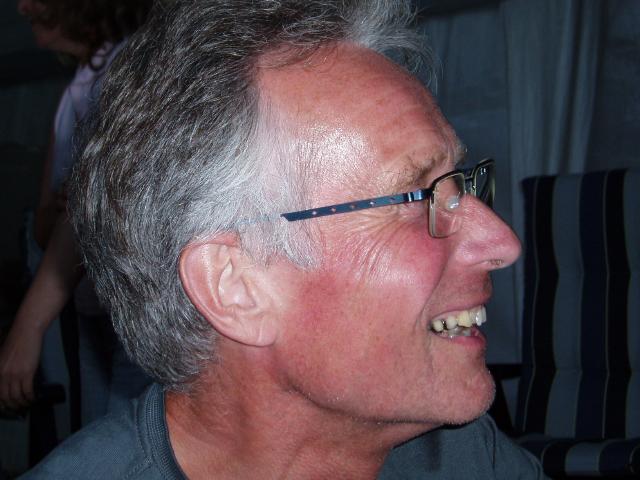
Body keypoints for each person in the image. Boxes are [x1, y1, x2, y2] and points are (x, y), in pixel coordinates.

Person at [22, 0, 548, 478]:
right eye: (416, 197)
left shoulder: (461, 453)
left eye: (459, 184)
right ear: (236, 287)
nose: (501, 242)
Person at [0, 0, 152, 425]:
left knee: (124, 436)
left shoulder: (134, 64)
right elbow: (48, 222)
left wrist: (27, 326)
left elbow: (91, 205)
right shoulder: (77, 88)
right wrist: (65, 210)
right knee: (91, 432)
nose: (21, 7)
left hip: (137, 308)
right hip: (89, 308)